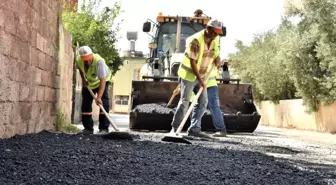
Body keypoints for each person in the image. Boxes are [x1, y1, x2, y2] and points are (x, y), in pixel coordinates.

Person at [170, 18, 223, 137]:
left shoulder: (215, 38)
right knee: (185, 102)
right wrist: (200, 80)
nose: (215, 35)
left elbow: (216, 52)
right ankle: (175, 129)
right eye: (214, 32)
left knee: (203, 102)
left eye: (217, 33)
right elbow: (193, 62)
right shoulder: (196, 40)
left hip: (202, 75)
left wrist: (217, 57)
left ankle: (194, 129)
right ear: (208, 28)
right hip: (189, 75)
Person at [76, 46, 112, 135]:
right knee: (85, 104)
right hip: (90, 83)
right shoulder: (78, 60)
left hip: (103, 81)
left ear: (92, 55)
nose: (87, 61)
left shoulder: (99, 62)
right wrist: (84, 81)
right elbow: (81, 70)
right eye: (85, 59)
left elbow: (102, 80)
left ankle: (104, 129)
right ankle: (88, 128)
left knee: (104, 102)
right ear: (81, 58)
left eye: (88, 58)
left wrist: (99, 97)